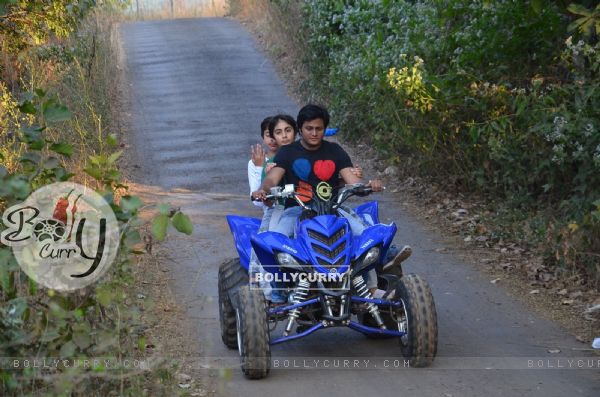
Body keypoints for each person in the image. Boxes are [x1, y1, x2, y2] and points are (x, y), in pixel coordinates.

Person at [252, 104, 384, 294]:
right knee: (276, 241)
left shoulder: (335, 151)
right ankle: (279, 291)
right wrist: (262, 190)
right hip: (296, 210)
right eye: (309, 128)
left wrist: (369, 186)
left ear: (324, 128)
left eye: (319, 128)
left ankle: (371, 288)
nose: (314, 133)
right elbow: (272, 179)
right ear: (300, 129)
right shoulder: (287, 153)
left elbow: (352, 181)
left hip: (332, 210)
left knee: (364, 238)